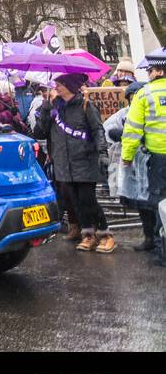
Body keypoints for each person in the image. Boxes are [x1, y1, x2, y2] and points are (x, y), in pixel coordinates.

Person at [33, 73, 114, 254]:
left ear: (70, 85)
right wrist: (45, 112)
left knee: (89, 201)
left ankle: (105, 235)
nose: (56, 86)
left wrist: (102, 153)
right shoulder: (54, 108)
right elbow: (39, 132)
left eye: (60, 83)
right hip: (63, 162)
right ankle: (88, 235)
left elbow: (98, 130)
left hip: (84, 161)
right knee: (76, 202)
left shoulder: (86, 105)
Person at [120, 51, 166, 266]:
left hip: (159, 160)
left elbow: (132, 130)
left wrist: (127, 157)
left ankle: (162, 250)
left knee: (160, 204)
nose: (148, 74)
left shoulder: (144, 94)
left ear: (159, 71)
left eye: (150, 70)